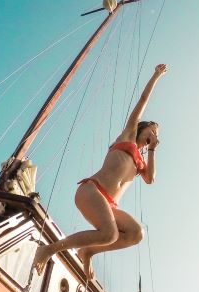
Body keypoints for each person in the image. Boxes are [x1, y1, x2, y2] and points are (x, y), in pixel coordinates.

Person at [34, 64, 167, 277]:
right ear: (144, 128)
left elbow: (151, 179)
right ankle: (49, 249)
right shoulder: (128, 136)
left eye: (157, 132)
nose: (156, 133)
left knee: (136, 233)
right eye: (153, 129)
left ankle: (87, 251)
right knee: (109, 234)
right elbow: (142, 101)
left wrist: (152, 149)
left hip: (109, 204)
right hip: (91, 191)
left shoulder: (141, 162)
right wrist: (156, 75)